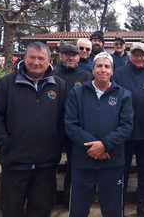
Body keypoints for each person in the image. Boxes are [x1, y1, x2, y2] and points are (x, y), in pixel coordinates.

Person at [0, 41, 69, 217]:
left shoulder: (60, 86)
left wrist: (57, 143)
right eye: (32, 57)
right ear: (25, 58)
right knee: (11, 211)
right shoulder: (7, 83)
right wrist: (4, 144)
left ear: (49, 61)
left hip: (46, 165)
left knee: (40, 211)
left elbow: (66, 118)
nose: (36, 62)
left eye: (41, 58)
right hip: (15, 163)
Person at [64, 52, 134, 217]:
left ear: (112, 71)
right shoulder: (77, 93)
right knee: (78, 210)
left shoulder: (123, 95)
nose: (103, 69)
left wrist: (104, 146)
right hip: (82, 161)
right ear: (93, 69)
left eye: (107, 66)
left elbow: (126, 126)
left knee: (113, 211)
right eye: (99, 66)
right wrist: (94, 147)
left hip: (112, 162)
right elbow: (70, 124)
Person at [113, 42, 144, 217]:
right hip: (122, 134)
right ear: (130, 56)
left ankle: (142, 205)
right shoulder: (119, 74)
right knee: (122, 169)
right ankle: (119, 204)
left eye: (142, 55)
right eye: (135, 54)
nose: (139, 58)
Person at [54, 43, 92, 209]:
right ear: (61, 56)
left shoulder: (85, 75)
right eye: (67, 54)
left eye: (73, 55)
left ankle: (69, 198)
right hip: (53, 128)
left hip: (75, 127)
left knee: (73, 164)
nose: (70, 57)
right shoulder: (53, 74)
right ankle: (48, 197)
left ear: (78, 57)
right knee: (51, 163)